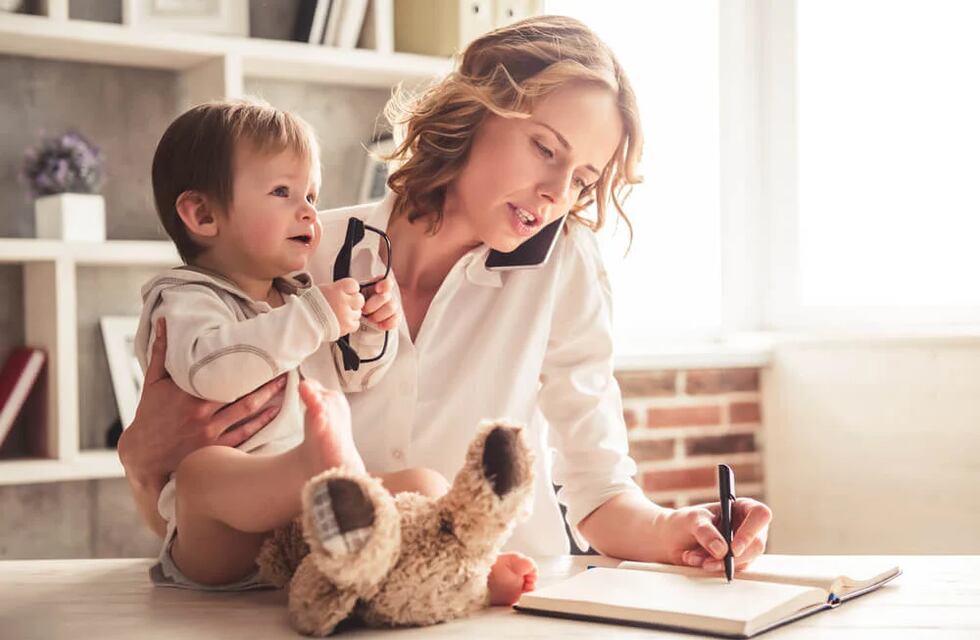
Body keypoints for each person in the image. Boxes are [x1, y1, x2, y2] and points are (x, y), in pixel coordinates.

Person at [120, 15, 771, 584]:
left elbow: (600, 491)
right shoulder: (299, 256)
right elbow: (197, 511)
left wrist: (677, 529)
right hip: (329, 603)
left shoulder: (566, 267)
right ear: (474, 109)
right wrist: (141, 461)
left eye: (582, 179)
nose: (555, 192)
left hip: (507, 599)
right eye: (545, 148)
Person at [136, 98, 536, 602]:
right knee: (202, 473)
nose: (308, 210)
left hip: (309, 526)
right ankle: (310, 470)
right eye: (282, 192)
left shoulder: (296, 294)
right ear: (201, 214)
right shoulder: (185, 296)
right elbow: (210, 373)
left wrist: (372, 331)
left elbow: (356, 378)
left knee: (422, 485)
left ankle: (467, 567)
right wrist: (313, 319)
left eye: (311, 193)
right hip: (220, 540)